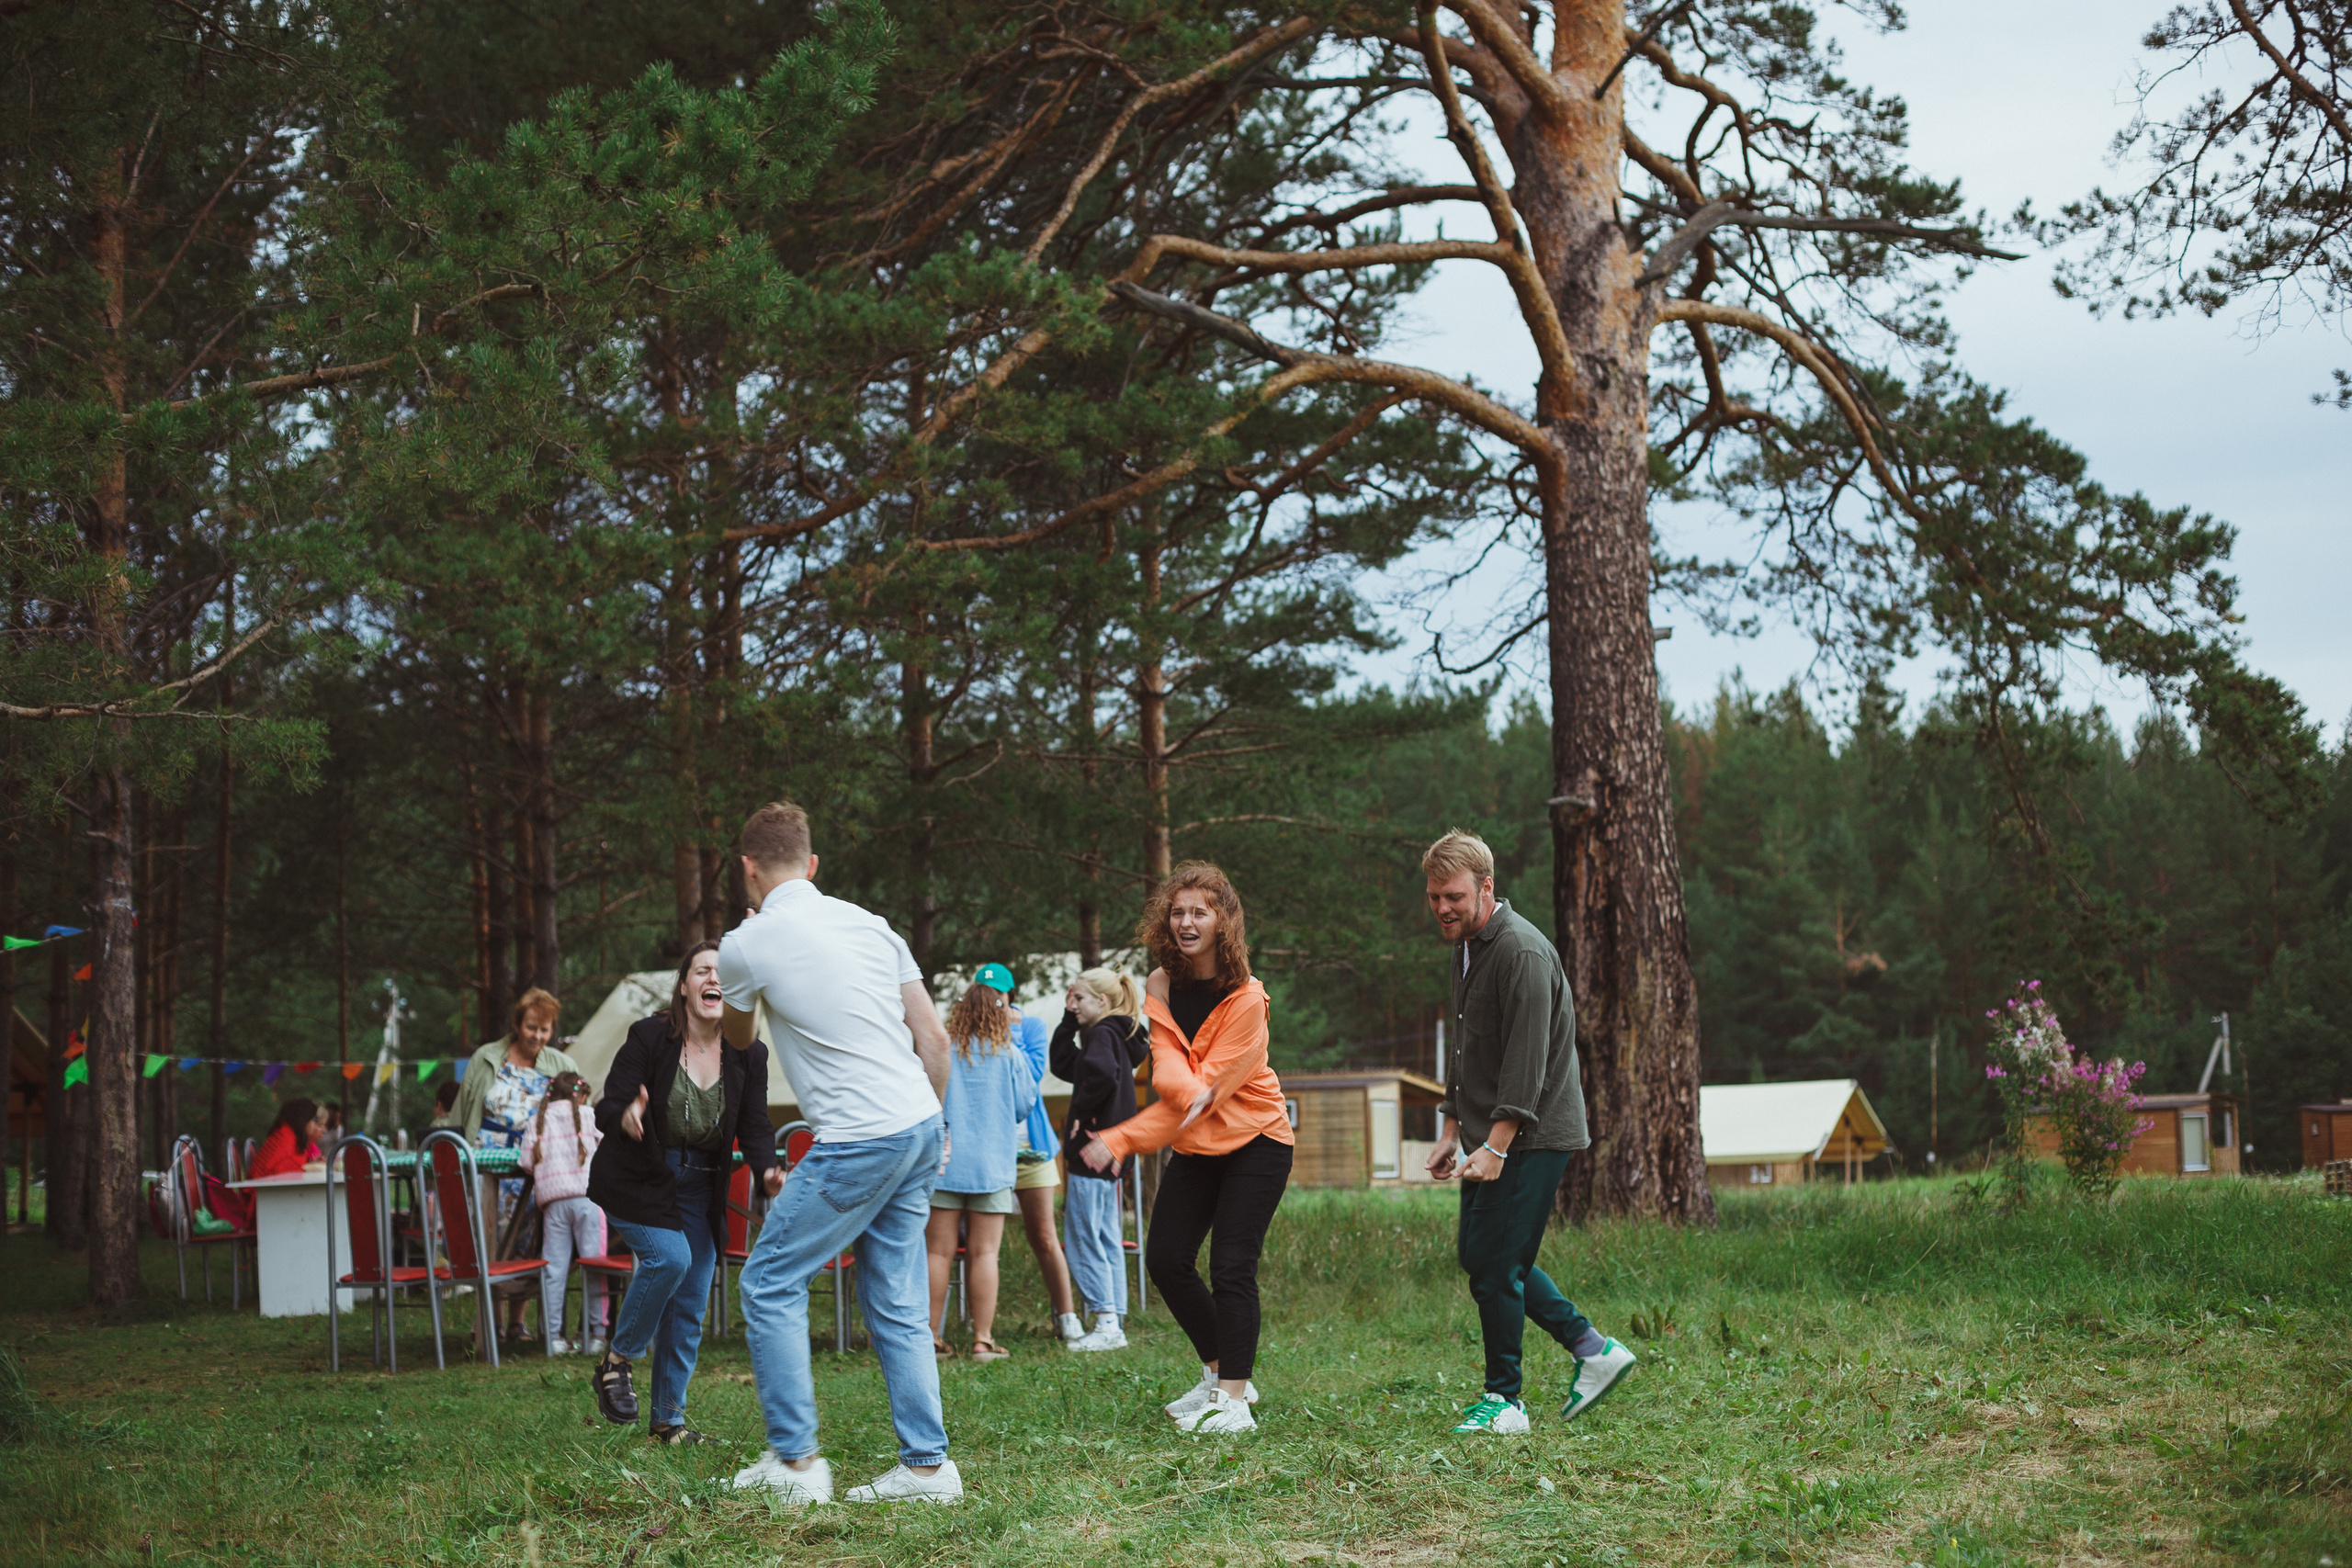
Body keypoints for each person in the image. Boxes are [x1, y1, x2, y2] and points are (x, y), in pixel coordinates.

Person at [721, 801, 961, 1506]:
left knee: (768, 1281)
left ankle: (796, 1465)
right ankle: (927, 1469)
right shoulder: (872, 924)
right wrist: (937, 1131)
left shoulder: (747, 941)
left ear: (748, 868)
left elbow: (739, 1040)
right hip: (920, 1123)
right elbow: (936, 1042)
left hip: (858, 1137)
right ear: (813, 863)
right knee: (891, 1295)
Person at [1420, 829, 1635, 1436]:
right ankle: (1591, 1348)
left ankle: (1506, 1401)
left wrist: (1495, 1146)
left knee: (1497, 1264)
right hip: (1489, 1130)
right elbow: (1468, 1048)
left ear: (1487, 887)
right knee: (1482, 1256)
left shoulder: (1521, 953)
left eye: (1454, 896)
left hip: (1533, 1134)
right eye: (1434, 896)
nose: (1442, 907)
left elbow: (1525, 1061)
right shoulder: (1468, 946)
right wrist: (1451, 1127)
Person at [1082, 863, 1293, 1437]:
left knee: (1231, 1265)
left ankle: (1233, 1404)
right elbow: (1172, 1069)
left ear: (1224, 920)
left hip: (1258, 1139)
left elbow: (1204, 1092)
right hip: (1199, 1141)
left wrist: (1122, 1137)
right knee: (1166, 1259)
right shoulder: (1160, 984)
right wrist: (1180, 1091)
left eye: (1200, 911)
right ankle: (1221, 1374)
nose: (1186, 921)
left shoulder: (1249, 999)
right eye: (1177, 911)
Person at [585, 942, 780, 1443]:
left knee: (689, 1303)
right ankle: (617, 1360)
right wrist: (626, 1114)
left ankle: (667, 1422)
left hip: (701, 1187)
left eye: (722, 971)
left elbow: (756, 1126)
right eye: (702, 970)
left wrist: (767, 1171)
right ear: (685, 985)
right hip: (642, 1175)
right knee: (668, 1261)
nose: (712, 977)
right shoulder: (651, 1036)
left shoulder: (748, 1052)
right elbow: (608, 1103)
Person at [453, 988, 580, 1342]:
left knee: (529, 1239)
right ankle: (490, 1321)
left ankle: (517, 1321)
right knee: (490, 1238)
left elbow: (577, 1115)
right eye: (531, 1027)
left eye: (544, 1029)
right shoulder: (487, 1057)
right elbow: (464, 1110)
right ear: (516, 1024)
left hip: (534, 1167)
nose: (537, 1036)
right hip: (487, 1163)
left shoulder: (561, 1065)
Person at [926, 969, 1039, 1363]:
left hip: (945, 1165)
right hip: (992, 1167)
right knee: (984, 1253)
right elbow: (1025, 1104)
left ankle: (930, 1339)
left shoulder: (944, 1049)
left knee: (937, 1253)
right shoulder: (1009, 1054)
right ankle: (983, 1341)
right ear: (1001, 1009)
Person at [1052, 966, 1149, 1351]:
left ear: (1103, 1001)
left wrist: (1084, 1124)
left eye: (1078, 999)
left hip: (1094, 1152)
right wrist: (1067, 1021)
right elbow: (1065, 1066)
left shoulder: (1104, 1035)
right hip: (1113, 1153)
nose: (1072, 1005)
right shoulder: (1117, 1035)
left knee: (1083, 1237)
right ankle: (1115, 1321)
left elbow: (1098, 1076)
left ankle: (1106, 1322)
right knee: (1105, 1235)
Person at [1002, 975, 1085, 1348]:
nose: (994, 1003)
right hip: (990, 1153)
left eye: (999, 995)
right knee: (980, 1244)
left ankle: (1067, 1318)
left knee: (1044, 1236)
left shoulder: (1031, 1027)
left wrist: (1012, 1035)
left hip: (1032, 1147)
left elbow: (1032, 1078)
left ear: (1010, 996)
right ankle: (978, 1329)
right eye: (985, 996)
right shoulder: (969, 1033)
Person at [519, 1071, 609, 1357]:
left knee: (554, 1271)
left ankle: (554, 1338)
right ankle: (597, 1335)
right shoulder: (589, 1115)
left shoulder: (537, 1120)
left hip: (554, 1204)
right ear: (581, 1095)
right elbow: (607, 1149)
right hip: (588, 1199)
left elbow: (525, 1162)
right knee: (594, 1265)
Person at [250, 1099, 326, 1179]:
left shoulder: (290, 1134)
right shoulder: (284, 1136)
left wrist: (312, 1164)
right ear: (303, 1119)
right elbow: (284, 1168)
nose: (314, 1123)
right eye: (315, 1119)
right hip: (259, 1189)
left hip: (267, 1187)